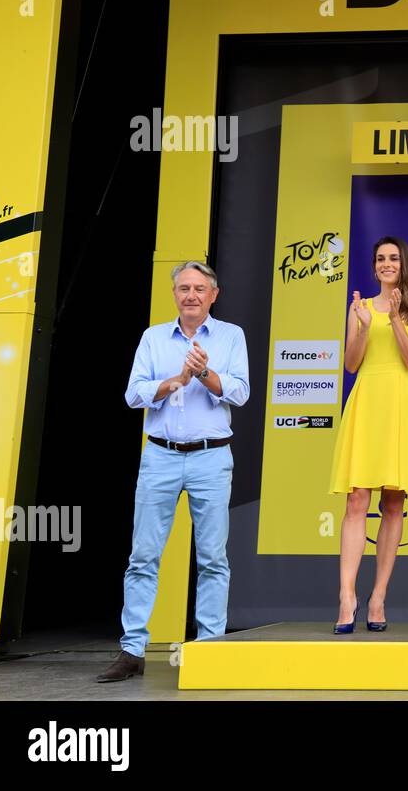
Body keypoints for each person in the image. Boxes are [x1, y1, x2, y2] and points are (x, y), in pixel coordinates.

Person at [98, 261, 249, 683]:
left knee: (213, 558)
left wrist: (204, 373)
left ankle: (210, 648)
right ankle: (132, 650)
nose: (192, 295)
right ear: (175, 294)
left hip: (211, 457)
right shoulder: (152, 338)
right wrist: (175, 380)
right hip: (160, 456)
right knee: (143, 556)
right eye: (184, 287)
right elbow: (133, 394)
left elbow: (240, 391)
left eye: (200, 288)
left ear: (213, 295)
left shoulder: (230, 335)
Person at [330, 237, 408, 633]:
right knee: (357, 500)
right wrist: (364, 325)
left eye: (393, 258)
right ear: (374, 267)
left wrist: (392, 319)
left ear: (404, 264)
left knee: (394, 503)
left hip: (400, 403)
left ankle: (378, 597)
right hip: (367, 400)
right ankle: (346, 596)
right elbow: (352, 364)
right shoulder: (359, 307)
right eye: (380, 259)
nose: (386, 264)